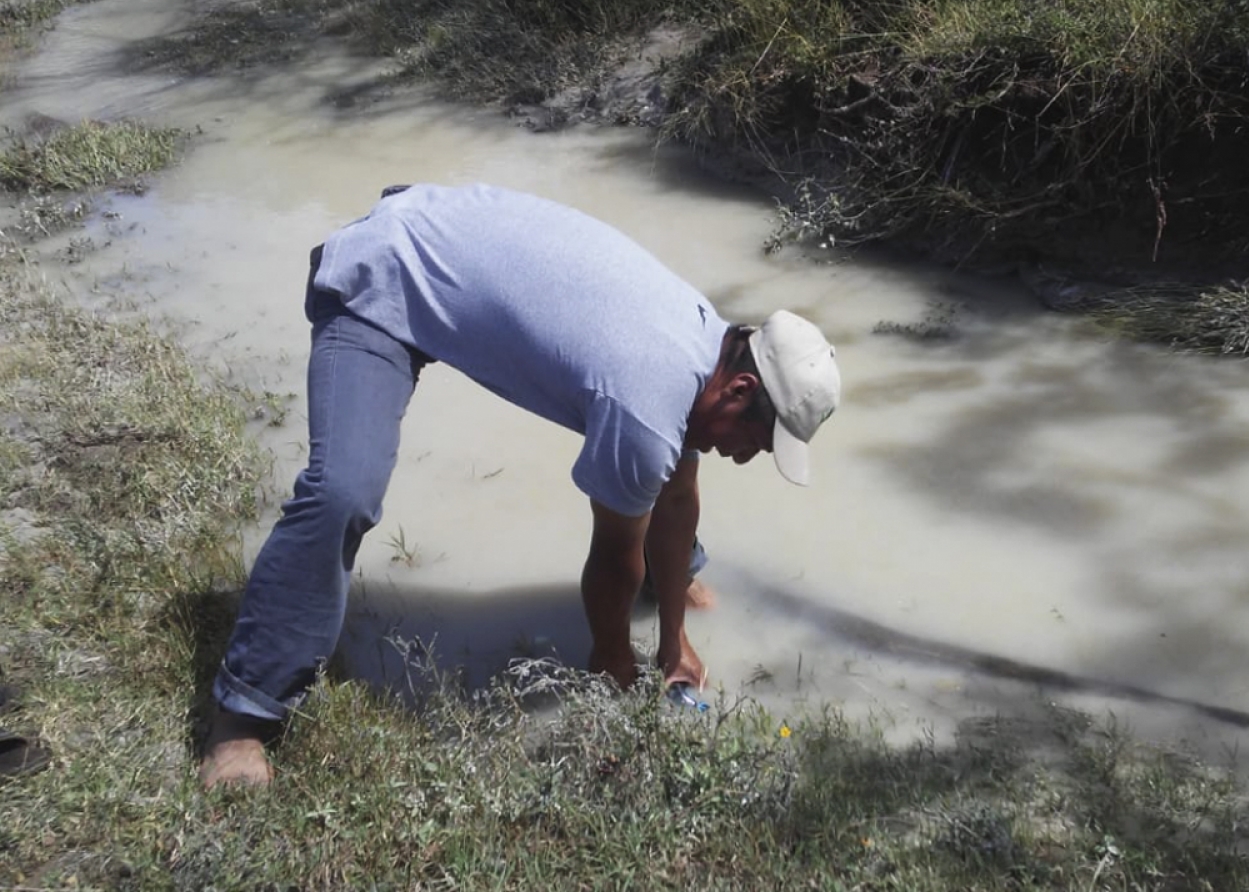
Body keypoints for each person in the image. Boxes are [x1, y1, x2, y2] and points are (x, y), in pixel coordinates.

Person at [200, 184, 841, 788]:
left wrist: (673, 642)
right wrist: (613, 661)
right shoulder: (650, 396)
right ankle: (245, 712)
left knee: (662, 472)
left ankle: (670, 579)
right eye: (759, 441)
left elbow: (678, 491)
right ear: (740, 388)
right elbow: (612, 556)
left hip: (437, 227)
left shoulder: (708, 341)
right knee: (343, 490)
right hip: (385, 274)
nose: (747, 457)